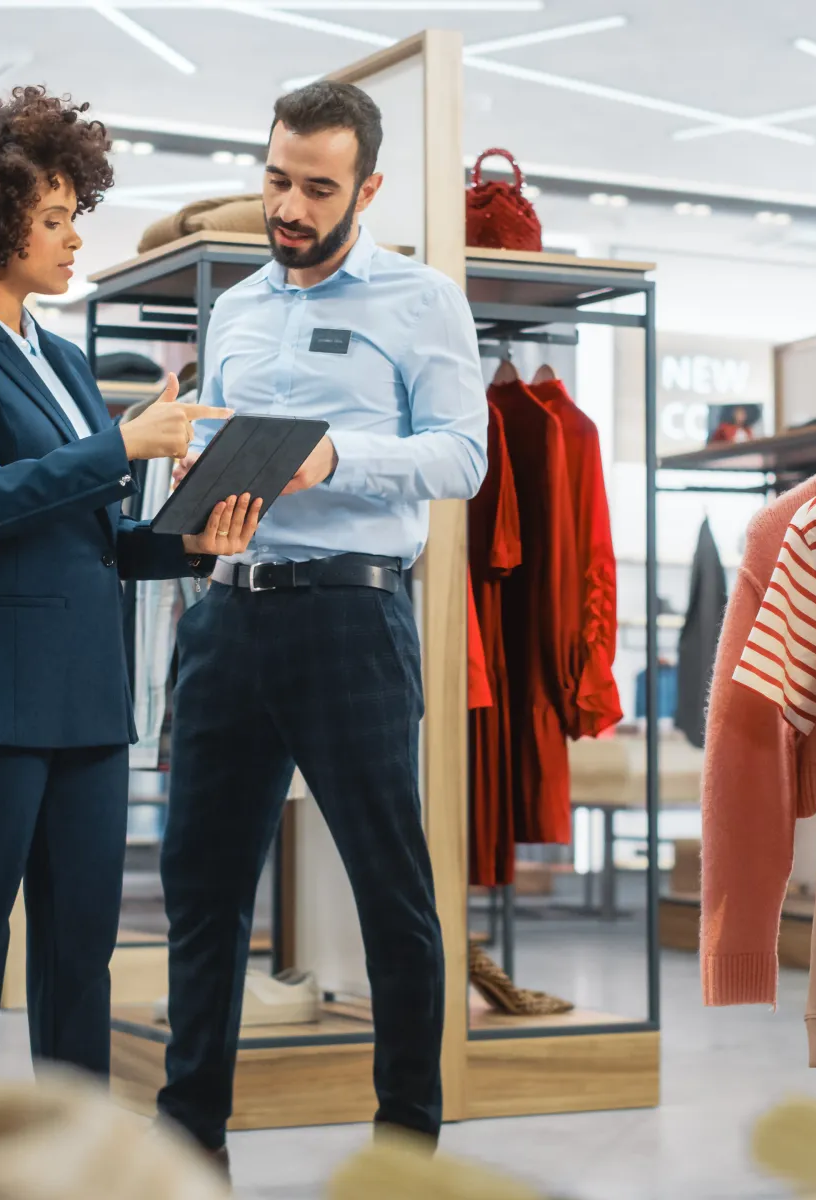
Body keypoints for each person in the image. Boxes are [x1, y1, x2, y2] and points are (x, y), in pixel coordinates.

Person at [0, 86, 262, 1076]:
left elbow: (90, 535)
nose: (71, 241)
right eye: (51, 221)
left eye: (69, 218)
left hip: (87, 703)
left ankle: (75, 1157)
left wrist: (190, 543)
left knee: (80, 952)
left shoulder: (61, 357)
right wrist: (121, 443)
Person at [156, 81, 488, 1166]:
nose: (288, 207)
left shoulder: (422, 299)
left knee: (393, 891)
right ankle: (190, 1144)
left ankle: (404, 1147)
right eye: (275, 180)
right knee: (201, 896)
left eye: (315, 188)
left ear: (367, 188)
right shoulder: (236, 306)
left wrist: (337, 454)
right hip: (226, 617)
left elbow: (463, 455)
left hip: (352, 619)